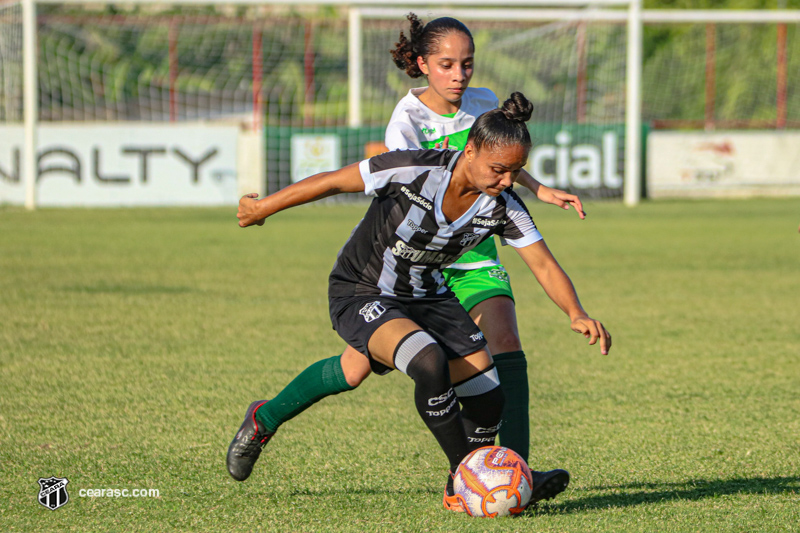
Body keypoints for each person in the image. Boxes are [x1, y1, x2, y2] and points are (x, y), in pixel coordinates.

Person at [238, 14, 588, 482]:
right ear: (423, 64)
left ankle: (510, 473)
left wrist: (538, 190)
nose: (460, 75)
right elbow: (378, 186)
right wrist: (265, 207)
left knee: (499, 353)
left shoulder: (487, 115)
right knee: (360, 368)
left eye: (467, 64)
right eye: (447, 64)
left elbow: (498, 157)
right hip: (397, 269)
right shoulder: (407, 129)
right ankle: (266, 417)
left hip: (463, 256)